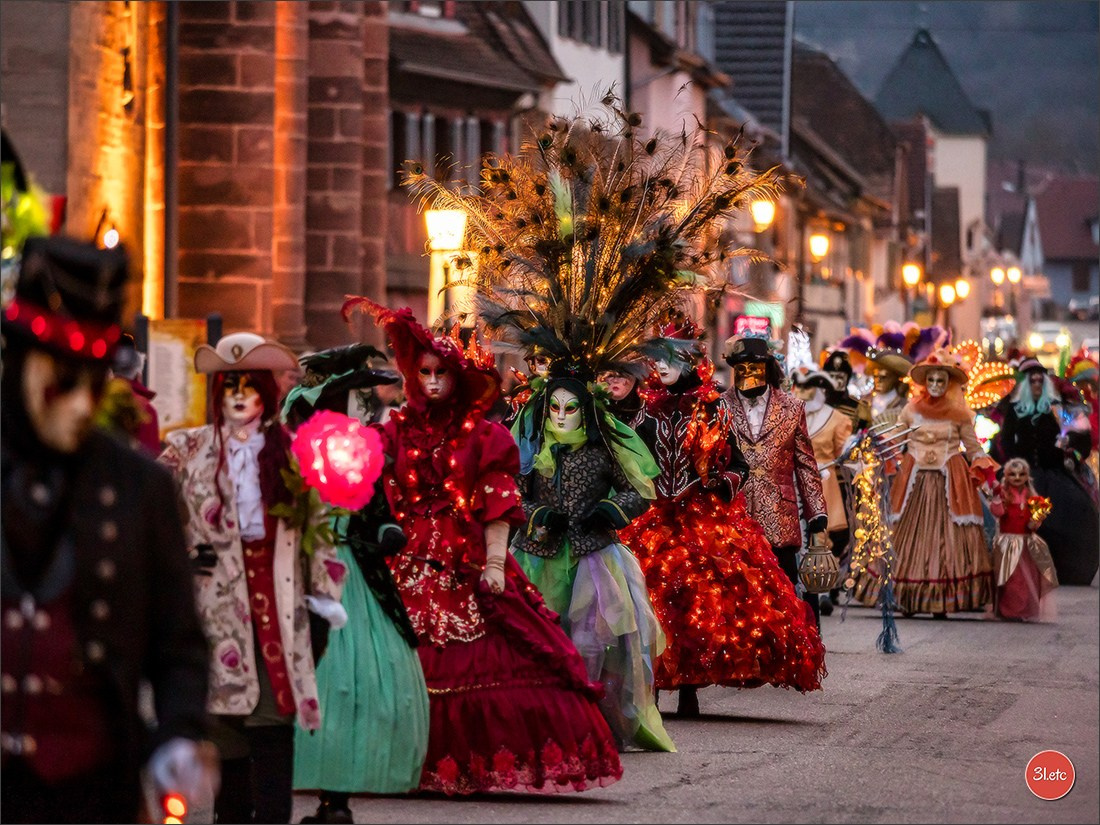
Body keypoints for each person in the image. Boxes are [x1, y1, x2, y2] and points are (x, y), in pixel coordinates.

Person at [344, 299, 622, 795]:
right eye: (423, 372)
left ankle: (464, 763)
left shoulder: (484, 438)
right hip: (404, 557)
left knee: (494, 649)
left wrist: (496, 563)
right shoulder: (394, 432)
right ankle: (391, 759)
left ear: (457, 377)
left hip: (464, 557)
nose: (431, 382)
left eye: (441, 373)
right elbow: (362, 485)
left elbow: (497, 506)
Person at [1, 236, 213, 823]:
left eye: (92, 384)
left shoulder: (139, 489)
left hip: (92, 793)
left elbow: (178, 645)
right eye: (61, 382)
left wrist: (178, 733)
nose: (78, 407)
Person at [159, 332, 349, 824]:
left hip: (278, 613)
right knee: (223, 731)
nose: (239, 395)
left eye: (250, 385)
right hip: (214, 613)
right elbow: (152, 517)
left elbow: (320, 536)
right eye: (229, 384)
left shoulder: (293, 456)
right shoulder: (185, 452)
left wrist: (324, 603)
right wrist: (180, 560)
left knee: (270, 723)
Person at [620, 327, 828, 718]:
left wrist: (718, 484)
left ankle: (689, 689)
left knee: (698, 603)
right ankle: (653, 685)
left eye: (671, 358)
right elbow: (630, 459)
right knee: (650, 600)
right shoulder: (644, 406)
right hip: (654, 519)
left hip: (703, 517)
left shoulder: (712, 406)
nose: (662, 366)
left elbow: (738, 464)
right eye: (657, 358)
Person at [283, 345, 429, 825]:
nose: (359, 407)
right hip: (306, 568)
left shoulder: (361, 450)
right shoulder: (296, 451)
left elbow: (376, 509)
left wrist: (386, 530)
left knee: (356, 685)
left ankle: (336, 798)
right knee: (318, 681)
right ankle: (295, 790)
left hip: (357, 575)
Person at [510, 359, 674, 753]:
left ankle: (588, 721)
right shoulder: (532, 447)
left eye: (572, 408)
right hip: (538, 557)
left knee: (590, 645)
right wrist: (535, 514)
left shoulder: (604, 447)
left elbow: (638, 490)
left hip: (593, 559)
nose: (562, 416)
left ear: (587, 410)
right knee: (538, 641)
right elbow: (510, 490)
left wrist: (612, 510)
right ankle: (543, 721)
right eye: (555, 407)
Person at [853, 348, 996, 617]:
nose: (935, 385)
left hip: (949, 480)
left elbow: (972, 446)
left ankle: (942, 600)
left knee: (947, 538)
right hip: (914, 479)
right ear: (924, 382)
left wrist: (987, 473)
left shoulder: (961, 414)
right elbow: (895, 440)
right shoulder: (911, 410)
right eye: (930, 380)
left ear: (949, 383)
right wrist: (872, 454)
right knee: (906, 535)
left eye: (940, 381)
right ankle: (907, 597)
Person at [723, 335, 831, 628]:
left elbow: (806, 464)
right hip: (735, 514)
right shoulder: (720, 406)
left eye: (755, 366)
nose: (748, 373)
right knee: (738, 593)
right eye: (742, 367)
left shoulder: (792, 407)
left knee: (783, 592)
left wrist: (817, 514)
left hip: (780, 517)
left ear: (767, 368)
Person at [998, 358, 1099, 585]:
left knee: (1075, 512)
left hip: (1054, 474)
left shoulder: (1057, 410)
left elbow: (1081, 440)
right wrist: (1013, 463)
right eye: (1031, 380)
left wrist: (1069, 449)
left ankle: (1065, 568)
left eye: (1039, 380)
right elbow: (1004, 441)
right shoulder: (1015, 410)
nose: (1036, 384)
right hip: (1023, 476)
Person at [790, 369, 854, 616]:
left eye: (809, 388)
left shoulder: (837, 419)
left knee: (822, 537)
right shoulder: (791, 414)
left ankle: (823, 590)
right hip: (795, 482)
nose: (804, 393)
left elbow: (845, 455)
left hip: (824, 483)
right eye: (800, 388)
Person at [988, 458, 1058, 621]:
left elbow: (1035, 522)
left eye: (1022, 474)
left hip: (1026, 543)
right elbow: (997, 513)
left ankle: (1024, 609)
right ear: (1006, 475)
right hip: (1008, 543)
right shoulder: (1004, 494)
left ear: (1027, 476)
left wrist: (1036, 519)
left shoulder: (1031, 496)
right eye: (1012, 474)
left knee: (1028, 580)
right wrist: (997, 499)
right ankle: (1009, 610)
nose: (1017, 477)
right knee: (1009, 577)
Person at [821, 349, 872, 431]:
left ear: (847, 379)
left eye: (840, 377)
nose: (835, 382)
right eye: (831, 377)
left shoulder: (859, 408)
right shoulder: (816, 403)